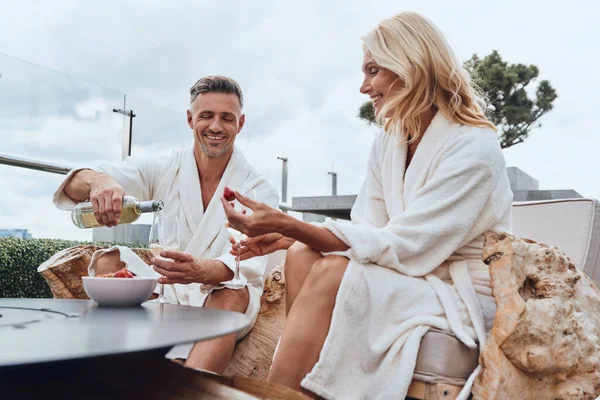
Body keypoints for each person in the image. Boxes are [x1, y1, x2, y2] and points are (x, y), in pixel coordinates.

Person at [222, 12, 513, 400]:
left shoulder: (475, 148)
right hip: (410, 273)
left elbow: (410, 245)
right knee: (301, 255)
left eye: (373, 70)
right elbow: (368, 228)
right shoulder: (390, 141)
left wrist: (291, 224)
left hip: (455, 289)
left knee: (326, 270)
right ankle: (304, 387)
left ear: (410, 65)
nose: (364, 87)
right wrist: (289, 236)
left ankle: (276, 393)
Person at [53, 75, 279, 373]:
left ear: (241, 123)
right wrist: (100, 182)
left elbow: (246, 264)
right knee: (111, 261)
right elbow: (75, 184)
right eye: (206, 116)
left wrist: (199, 270)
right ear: (189, 119)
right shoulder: (165, 168)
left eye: (227, 117)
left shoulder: (259, 189)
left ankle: (186, 386)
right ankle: (118, 374)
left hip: (221, 294)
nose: (215, 126)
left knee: (232, 292)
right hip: (167, 288)